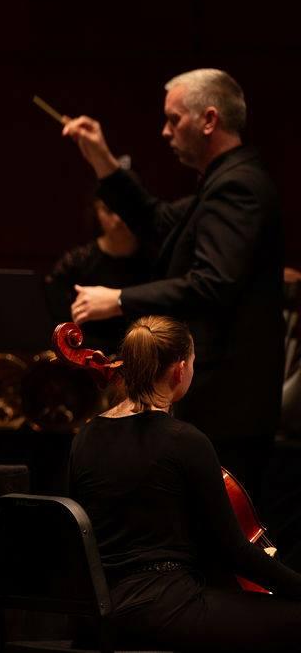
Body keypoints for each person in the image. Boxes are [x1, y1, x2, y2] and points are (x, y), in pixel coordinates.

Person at [61, 68, 284, 490]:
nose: (165, 132)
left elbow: (213, 282)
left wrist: (120, 298)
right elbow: (159, 222)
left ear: (209, 120)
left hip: (230, 403)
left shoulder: (239, 187)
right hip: (223, 400)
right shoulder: (222, 182)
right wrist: (102, 161)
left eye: (174, 119)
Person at [68, 316, 301, 651]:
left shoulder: (85, 437)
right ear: (179, 370)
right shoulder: (185, 441)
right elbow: (234, 551)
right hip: (165, 609)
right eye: (192, 362)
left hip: (97, 613)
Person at [45, 198, 151, 355]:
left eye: (125, 209)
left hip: (143, 355)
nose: (119, 219)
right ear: (96, 212)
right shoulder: (76, 263)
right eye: (109, 211)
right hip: (89, 359)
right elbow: (56, 317)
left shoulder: (156, 259)